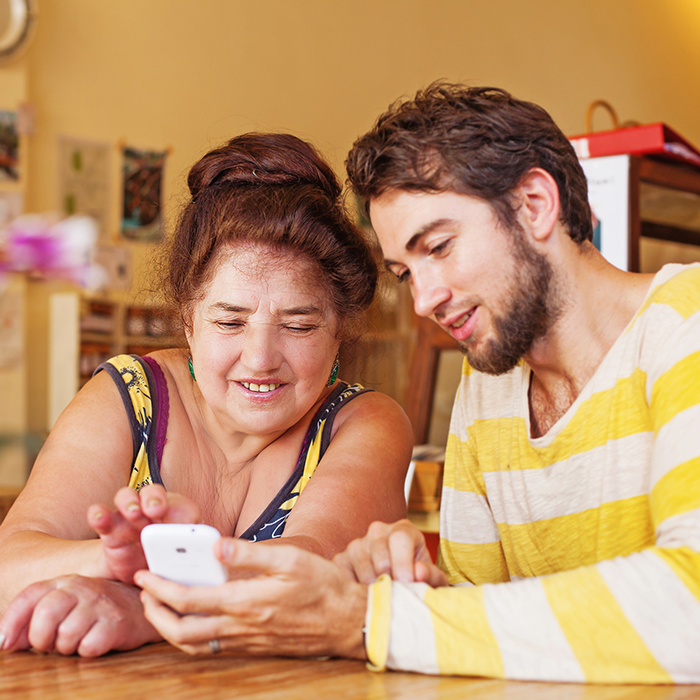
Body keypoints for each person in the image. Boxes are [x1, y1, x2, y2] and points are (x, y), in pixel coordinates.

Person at [132, 84, 700, 685]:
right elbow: (481, 619)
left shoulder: (685, 324)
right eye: (406, 272)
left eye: (441, 246)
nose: (426, 301)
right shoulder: (490, 390)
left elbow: (689, 611)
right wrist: (418, 587)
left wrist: (368, 618)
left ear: (534, 204)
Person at [0, 132, 413, 658]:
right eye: (229, 321)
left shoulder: (365, 422)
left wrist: (140, 606)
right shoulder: (128, 395)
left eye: (300, 326)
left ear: (341, 331)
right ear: (188, 320)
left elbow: (305, 576)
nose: (260, 357)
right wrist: (118, 563)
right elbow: (8, 564)